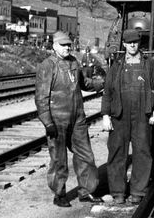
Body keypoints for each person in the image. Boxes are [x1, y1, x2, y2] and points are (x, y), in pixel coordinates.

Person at [35, 31, 104, 208]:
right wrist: (47, 122)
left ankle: (86, 191)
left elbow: (83, 83)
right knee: (59, 159)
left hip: (77, 118)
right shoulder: (47, 66)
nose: (67, 48)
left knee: (85, 155)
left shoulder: (74, 61)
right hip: (57, 120)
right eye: (63, 45)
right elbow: (41, 97)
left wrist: (102, 83)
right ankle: (59, 194)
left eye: (68, 45)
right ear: (54, 46)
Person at [101, 29, 154, 205]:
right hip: (119, 114)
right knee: (117, 153)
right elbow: (107, 93)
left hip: (142, 115)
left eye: (135, 42)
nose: (132, 45)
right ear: (124, 45)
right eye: (129, 43)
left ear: (139, 44)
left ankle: (138, 191)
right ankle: (118, 192)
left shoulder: (149, 64)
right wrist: (105, 115)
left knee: (142, 152)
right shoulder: (117, 65)